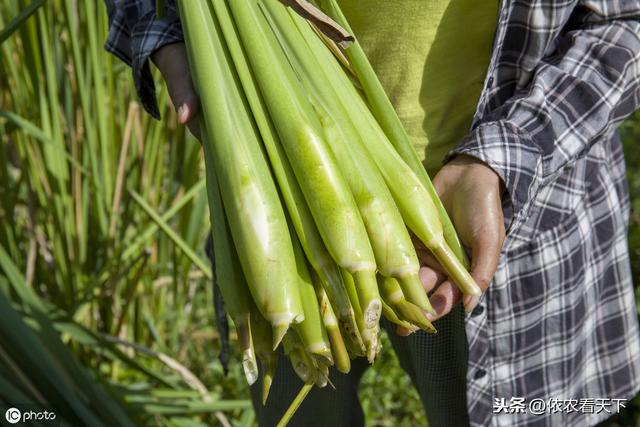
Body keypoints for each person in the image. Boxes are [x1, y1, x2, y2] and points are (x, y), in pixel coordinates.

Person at [105, 1, 640, 426]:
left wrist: (500, 159)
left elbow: (625, 22)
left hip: (504, 225)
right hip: (279, 215)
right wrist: (167, 38)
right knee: (302, 394)